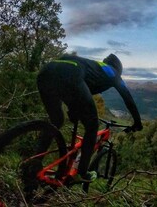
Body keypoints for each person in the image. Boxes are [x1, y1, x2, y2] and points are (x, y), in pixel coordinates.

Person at [37, 53, 143, 183]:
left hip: (46, 71)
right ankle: (81, 172)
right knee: (92, 126)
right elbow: (128, 99)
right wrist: (137, 122)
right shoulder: (113, 72)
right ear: (118, 69)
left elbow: (72, 90)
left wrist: (73, 109)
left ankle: (34, 162)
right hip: (71, 74)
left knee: (56, 121)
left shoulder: (96, 66)